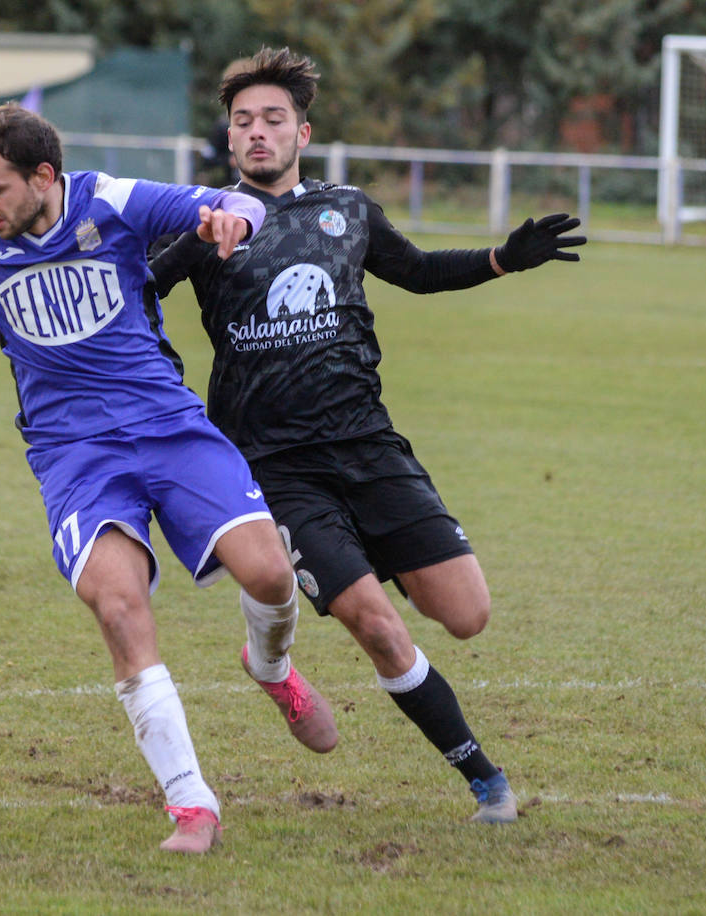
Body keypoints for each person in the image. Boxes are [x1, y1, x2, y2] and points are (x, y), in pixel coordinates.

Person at [0, 40, 340, 853]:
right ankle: (191, 803)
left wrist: (231, 217)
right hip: (74, 454)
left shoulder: (109, 202)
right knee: (118, 604)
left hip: (166, 424)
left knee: (269, 574)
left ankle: (271, 667)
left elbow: (234, 204)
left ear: (44, 177)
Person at [149, 47, 587, 824]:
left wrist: (501, 260)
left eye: (273, 119)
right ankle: (486, 780)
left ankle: (318, 616)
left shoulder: (347, 210)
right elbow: (138, 290)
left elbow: (417, 270)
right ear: (229, 138)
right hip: (276, 466)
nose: (257, 132)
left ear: (302, 133)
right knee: (378, 628)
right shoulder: (206, 221)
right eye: (243, 121)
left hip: (369, 445)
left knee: (466, 614)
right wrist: (189, 243)